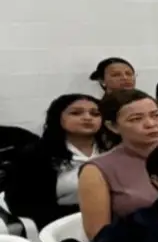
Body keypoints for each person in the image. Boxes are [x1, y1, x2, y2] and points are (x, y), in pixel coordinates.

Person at [4, 93, 105, 230]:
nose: (88, 118)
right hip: (61, 224)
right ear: (58, 117)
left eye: (95, 114)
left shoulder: (112, 150)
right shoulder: (35, 155)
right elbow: (20, 204)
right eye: (76, 113)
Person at [78, 90, 158, 238]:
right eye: (136, 119)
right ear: (113, 127)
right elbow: (98, 235)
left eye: (156, 115)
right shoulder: (96, 170)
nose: (151, 124)